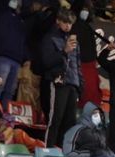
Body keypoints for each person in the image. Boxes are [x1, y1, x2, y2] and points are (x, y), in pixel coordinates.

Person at [41, 9, 81, 148]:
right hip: (58, 83)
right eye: (65, 22)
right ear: (58, 21)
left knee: (70, 122)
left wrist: (79, 86)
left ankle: (66, 153)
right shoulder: (49, 38)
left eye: (70, 23)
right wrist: (64, 52)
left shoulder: (74, 41)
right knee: (55, 119)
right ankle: (48, 151)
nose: (68, 26)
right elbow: (46, 62)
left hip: (72, 85)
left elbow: (77, 65)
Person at [0, 0, 28, 109]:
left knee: (10, 91)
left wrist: (24, 57)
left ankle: (4, 121)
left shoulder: (20, 20)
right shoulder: (1, 13)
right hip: (2, 56)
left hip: (16, 59)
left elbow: (23, 40)